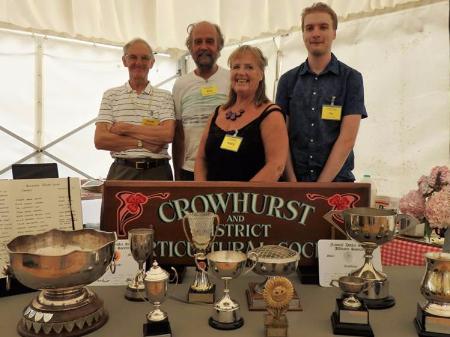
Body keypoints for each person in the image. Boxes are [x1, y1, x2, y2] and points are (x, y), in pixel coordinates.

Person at [276, 2, 367, 182]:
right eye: (309, 28)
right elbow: (281, 137)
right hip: (293, 183)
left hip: (336, 185)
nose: (316, 33)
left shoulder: (351, 79)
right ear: (303, 35)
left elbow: (347, 139)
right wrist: (292, 182)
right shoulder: (287, 81)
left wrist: (321, 187)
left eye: (323, 27)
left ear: (334, 33)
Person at [195, 45, 288, 182]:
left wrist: (239, 198)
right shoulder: (217, 112)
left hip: (251, 201)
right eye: (236, 67)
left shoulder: (271, 115)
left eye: (249, 67)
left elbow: (276, 166)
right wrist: (202, 193)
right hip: (211, 201)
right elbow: (201, 159)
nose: (241, 72)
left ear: (260, 75)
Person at [94, 38, 175, 180]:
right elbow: (100, 140)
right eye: (133, 57)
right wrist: (144, 142)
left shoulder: (165, 96)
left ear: (152, 62)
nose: (139, 63)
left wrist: (126, 128)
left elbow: (167, 135)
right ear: (124, 61)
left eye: (144, 58)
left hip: (158, 172)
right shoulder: (111, 95)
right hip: (122, 172)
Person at [172, 21, 230, 181]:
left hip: (227, 169)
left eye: (210, 41)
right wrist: (177, 177)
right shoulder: (180, 85)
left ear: (219, 47)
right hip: (189, 171)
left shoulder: (233, 80)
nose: (203, 47)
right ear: (190, 48)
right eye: (198, 42)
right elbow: (178, 135)